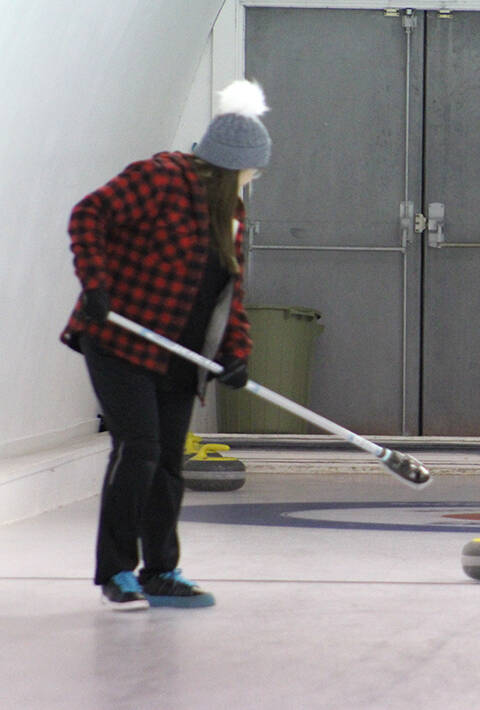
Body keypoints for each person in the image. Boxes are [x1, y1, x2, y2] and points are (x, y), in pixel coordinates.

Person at [60, 80, 272, 610]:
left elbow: (230, 297)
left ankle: (161, 570)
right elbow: (89, 215)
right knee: (140, 450)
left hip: (181, 357)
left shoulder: (232, 218)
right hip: (120, 341)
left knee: (170, 465)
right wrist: (96, 284)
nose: (253, 180)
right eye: (251, 171)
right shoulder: (159, 178)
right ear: (230, 165)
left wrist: (235, 353)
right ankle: (117, 572)